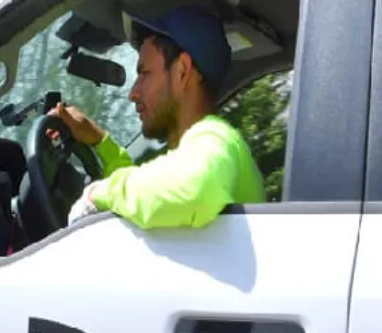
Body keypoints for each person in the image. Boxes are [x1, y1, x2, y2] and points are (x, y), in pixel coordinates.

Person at [53, 4, 264, 229]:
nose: (133, 93)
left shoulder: (216, 137)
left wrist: (97, 195)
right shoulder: (192, 152)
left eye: (144, 73)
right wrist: (99, 141)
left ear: (182, 71)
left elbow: (192, 189)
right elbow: (149, 188)